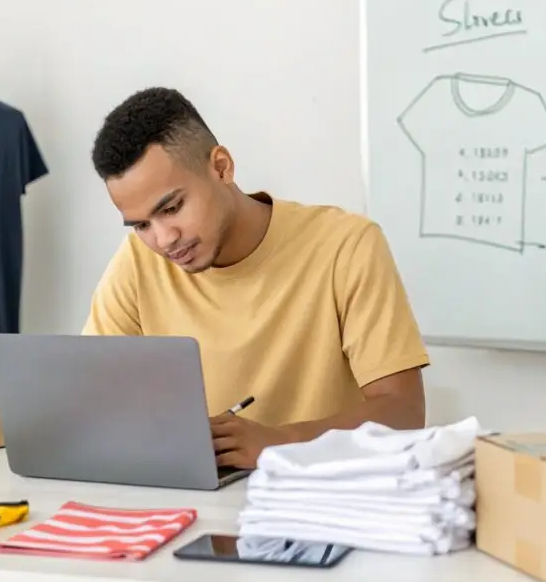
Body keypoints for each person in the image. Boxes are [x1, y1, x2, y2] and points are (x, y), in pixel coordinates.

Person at [83, 87, 429, 469]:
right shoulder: (136, 263)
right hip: (199, 507)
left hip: (321, 505)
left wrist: (281, 443)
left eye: (173, 207)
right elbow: (95, 403)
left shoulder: (345, 245)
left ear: (221, 167)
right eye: (141, 225)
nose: (164, 239)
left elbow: (404, 413)